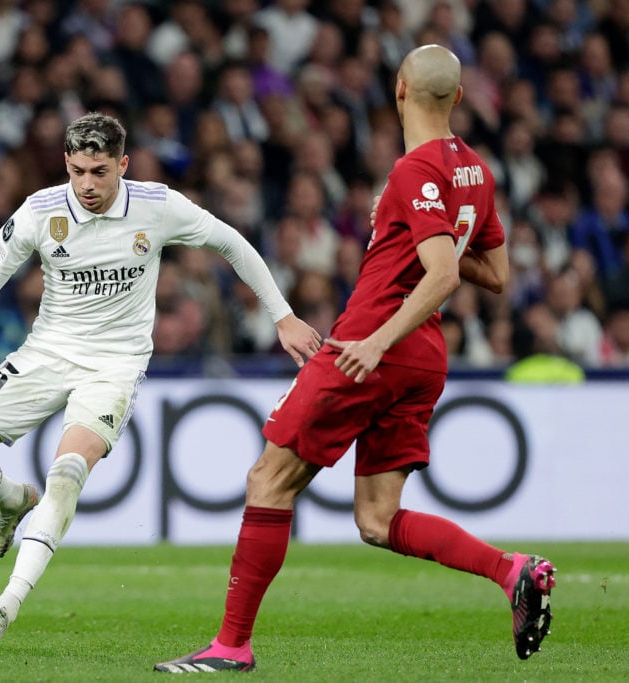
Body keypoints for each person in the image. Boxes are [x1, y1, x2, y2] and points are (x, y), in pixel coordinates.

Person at [154, 45, 556, 674]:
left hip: (373, 346)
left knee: (269, 479)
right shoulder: (476, 169)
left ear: (399, 90)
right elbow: (496, 273)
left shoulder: (412, 172)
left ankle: (230, 647)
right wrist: (429, 244)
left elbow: (445, 273)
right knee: (376, 518)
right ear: (455, 97)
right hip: (425, 357)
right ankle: (511, 571)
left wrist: (376, 340)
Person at [0, 112, 321, 653]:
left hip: (115, 365)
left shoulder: (157, 206)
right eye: (77, 170)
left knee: (67, 473)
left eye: (99, 171)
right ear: (65, 164)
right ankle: (11, 501)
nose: (87, 184)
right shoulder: (41, 211)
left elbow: (233, 243)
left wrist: (283, 316)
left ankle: (4, 607)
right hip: (46, 352)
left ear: (123, 165)